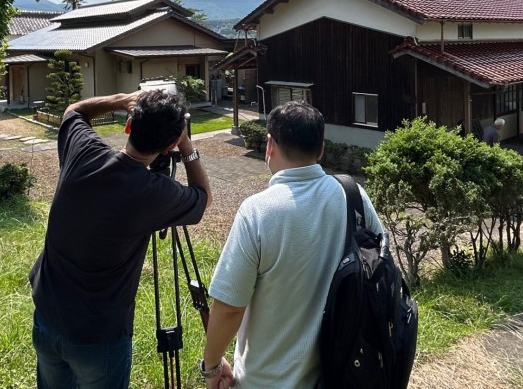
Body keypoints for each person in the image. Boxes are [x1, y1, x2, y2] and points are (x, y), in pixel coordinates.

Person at [29, 90, 211, 389]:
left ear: (128, 125)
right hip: (99, 335)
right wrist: (187, 146)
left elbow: (74, 110)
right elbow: (203, 199)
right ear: (169, 146)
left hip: (48, 314)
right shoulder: (154, 194)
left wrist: (122, 98)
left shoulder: (84, 152)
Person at [200, 101, 384, 389]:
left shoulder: (257, 211)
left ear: (269, 144)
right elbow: (381, 268)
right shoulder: (353, 196)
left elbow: (229, 307)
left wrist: (211, 368)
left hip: (265, 381)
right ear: (321, 148)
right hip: (344, 373)